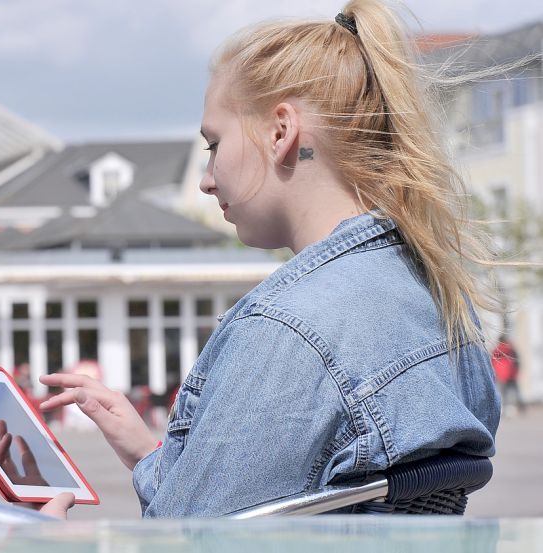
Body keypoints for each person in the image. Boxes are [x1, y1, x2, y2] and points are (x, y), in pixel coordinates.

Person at [37, 0, 502, 519]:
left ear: (282, 133)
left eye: (214, 144)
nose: (206, 178)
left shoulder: (291, 332)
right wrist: (151, 457)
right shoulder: (436, 295)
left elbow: (187, 542)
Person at [491, 334, 525, 416]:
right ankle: (511, 409)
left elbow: (491, 361)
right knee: (511, 392)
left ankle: (501, 409)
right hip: (510, 373)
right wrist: (516, 372)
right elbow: (516, 361)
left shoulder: (496, 350)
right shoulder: (510, 349)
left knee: (500, 392)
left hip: (499, 374)